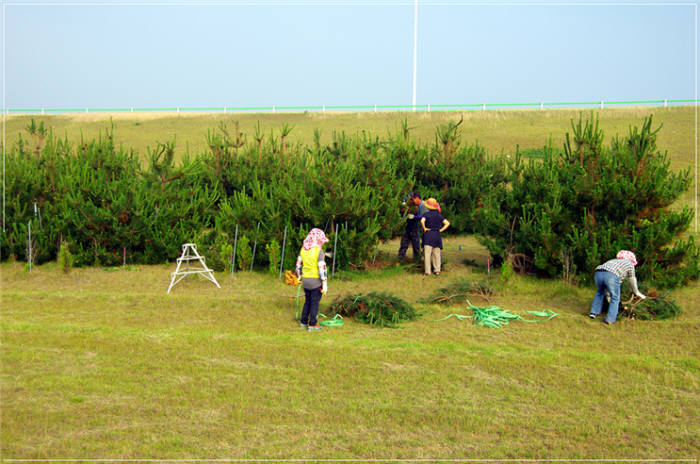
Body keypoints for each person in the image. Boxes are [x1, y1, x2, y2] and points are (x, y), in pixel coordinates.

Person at [589, 250, 646, 325]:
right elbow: (632, 279)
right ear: (631, 259)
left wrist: (608, 294)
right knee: (615, 297)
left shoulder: (614, 261)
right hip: (611, 275)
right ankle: (610, 319)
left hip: (598, 273)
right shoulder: (629, 264)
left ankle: (593, 313)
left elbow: (609, 282)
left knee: (600, 292)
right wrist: (637, 292)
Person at [295, 228, 329, 331]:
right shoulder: (319, 251)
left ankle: (303, 322)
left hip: (305, 281)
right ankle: (312, 324)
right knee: (315, 303)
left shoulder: (303, 249)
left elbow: (298, 266)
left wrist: (299, 276)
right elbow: (321, 268)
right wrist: (324, 284)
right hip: (315, 282)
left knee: (307, 301)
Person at [420, 198, 450, 275]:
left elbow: (422, 221)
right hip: (437, 234)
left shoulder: (426, 214)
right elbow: (447, 223)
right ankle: (437, 270)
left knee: (427, 254)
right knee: (437, 254)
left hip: (428, 234)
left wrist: (424, 228)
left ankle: (428, 271)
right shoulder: (439, 215)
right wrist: (441, 230)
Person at [398, 193, 421, 262]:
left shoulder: (417, 207)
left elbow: (419, 215)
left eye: (411, 199)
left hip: (414, 226)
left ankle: (417, 260)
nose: (410, 201)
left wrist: (414, 216)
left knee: (416, 245)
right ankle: (401, 259)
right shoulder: (404, 205)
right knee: (404, 244)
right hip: (407, 227)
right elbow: (401, 213)